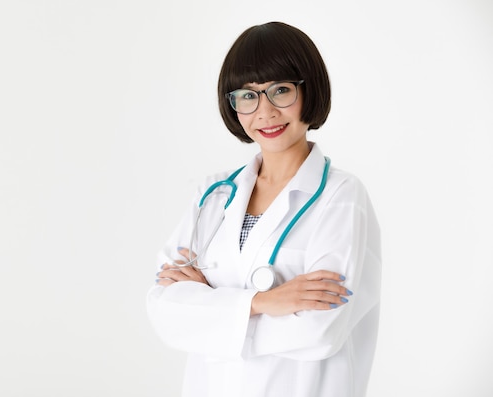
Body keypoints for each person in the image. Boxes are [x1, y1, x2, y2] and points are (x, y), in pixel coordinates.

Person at [146, 21, 381, 397]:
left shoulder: (342, 196)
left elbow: (321, 331)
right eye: (247, 96)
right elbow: (165, 312)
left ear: (310, 91)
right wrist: (263, 303)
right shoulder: (213, 195)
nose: (265, 112)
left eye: (281, 90)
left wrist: (212, 317)